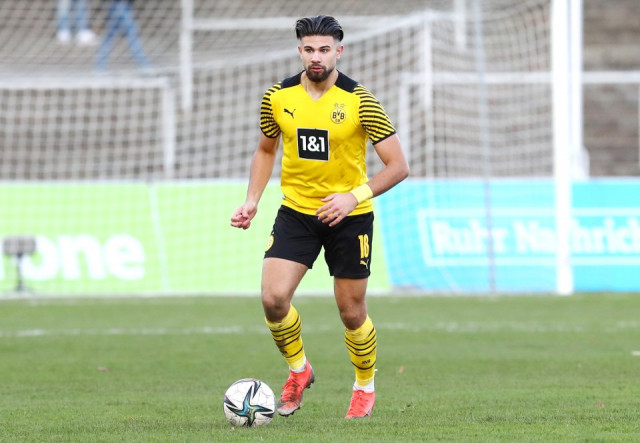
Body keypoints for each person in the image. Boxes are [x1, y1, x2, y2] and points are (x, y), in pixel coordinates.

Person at [230, 15, 409, 419]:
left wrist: (352, 197)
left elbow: (398, 166)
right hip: (297, 211)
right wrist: (252, 199)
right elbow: (265, 150)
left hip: (350, 217)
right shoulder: (277, 97)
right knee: (273, 299)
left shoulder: (361, 100)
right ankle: (299, 370)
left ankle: (364, 386)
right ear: (299, 51)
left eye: (324, 49)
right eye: (309, 49)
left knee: (351, 311)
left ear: (338, 52)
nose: (316, 57)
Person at [95, 0, 151, 71]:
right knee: (131, 34)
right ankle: (144, 64)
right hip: (120, 4)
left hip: (121, 5)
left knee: (111, 36)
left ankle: (100, 66)